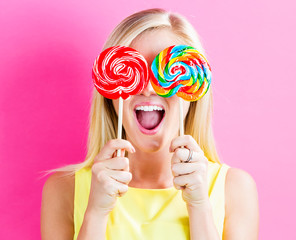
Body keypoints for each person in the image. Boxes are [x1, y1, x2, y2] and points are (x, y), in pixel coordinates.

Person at [41, 8, 259, 240]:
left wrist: (200, 207)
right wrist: (96, 213)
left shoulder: (234, 189)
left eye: (167, 72)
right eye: (131, 72)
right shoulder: (64, 190)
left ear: (192, 88)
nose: (147, 88)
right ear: (111, 90)